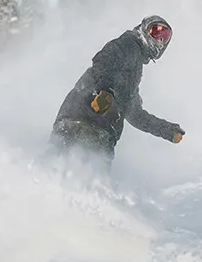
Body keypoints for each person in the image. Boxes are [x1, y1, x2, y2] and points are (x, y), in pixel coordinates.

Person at [50, 15, 185, 166]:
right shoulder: (129, 44)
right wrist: (105, 91)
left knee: (69, 175)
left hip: (98, 132)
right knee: (85, 179)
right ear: (144, 29)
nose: (158, 40)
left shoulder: (132, 76)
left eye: (164, 38)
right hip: (82, 120)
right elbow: (104, 59)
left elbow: (135, 115)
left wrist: (166, 130)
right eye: (155, 32)